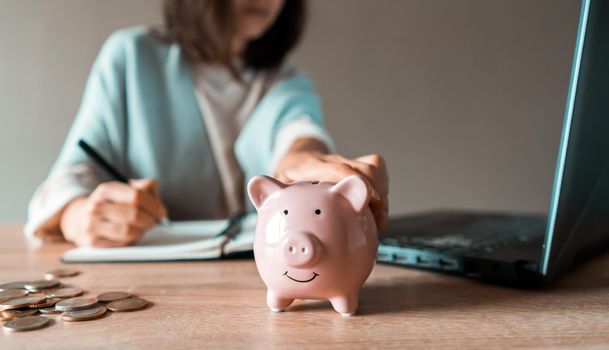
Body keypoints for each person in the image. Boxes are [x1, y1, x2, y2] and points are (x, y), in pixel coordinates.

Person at [25, 0, 389, 247]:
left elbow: (296, 132)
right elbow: (72, 174)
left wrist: (304, 161)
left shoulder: (285, 81)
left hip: (253, 286)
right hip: (147, 283)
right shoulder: (132, 58)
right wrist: (80, 217)